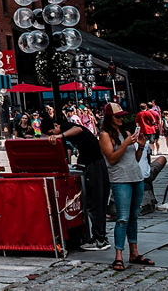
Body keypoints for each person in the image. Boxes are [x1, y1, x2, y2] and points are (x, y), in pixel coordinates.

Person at [98, 102, 152, 271]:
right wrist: (124, 144)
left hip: (135, 176)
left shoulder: (126, 132)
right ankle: (118, 255)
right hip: (120, 179)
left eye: (122, 116)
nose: (122, 119)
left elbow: (133, 158)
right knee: (122, 218)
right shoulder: (105, 135)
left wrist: (141, 146)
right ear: (109, 118)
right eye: (118, 116)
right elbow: (112, 159)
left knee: (134, 217)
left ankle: (134, 253)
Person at [49, 106, 109, 251]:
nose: (52, 135)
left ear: (56, 126)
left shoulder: (67, 127)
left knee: (96, 201)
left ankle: (100, 238)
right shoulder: (68, 131)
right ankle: (96, 235)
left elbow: (79, 129)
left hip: (95, 165)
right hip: (89, 163)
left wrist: (59, 135)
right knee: (91, 203)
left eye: (51, 132)